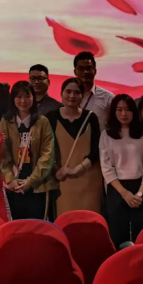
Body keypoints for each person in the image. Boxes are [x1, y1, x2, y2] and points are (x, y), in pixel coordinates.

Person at [99, 94, 143, 246]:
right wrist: (124, 194)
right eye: (119, 110)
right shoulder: (106, 135)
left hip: (142, 189)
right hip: (117, 189)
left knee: (142, 236)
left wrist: (139, 194)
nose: (123, 114)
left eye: (127, 109)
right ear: (114, 112)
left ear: (134, 111)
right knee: (117, 235)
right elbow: (107, 169)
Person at [0, 81, 57, 220]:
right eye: (18, 96)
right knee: (17, 226)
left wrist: (31, 181)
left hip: (37, 184)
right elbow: (1, 155)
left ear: (33, 98)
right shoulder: (5, 122)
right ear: (13, 99)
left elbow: (47, 155)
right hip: (14, 185)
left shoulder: (42, 122)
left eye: (27, 96)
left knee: (37, 225)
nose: (23, 101)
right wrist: (10, 179)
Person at [48, 78, 103, 215]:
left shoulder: (91, 117)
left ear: (82, 96)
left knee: (90, 220)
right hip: (62, 180)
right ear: (61, 93)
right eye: (68, 91)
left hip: (89, 181)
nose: (72, 96)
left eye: (77, 92)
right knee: (64, 220)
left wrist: (76, 170)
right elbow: (46, 149)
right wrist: (56, 170)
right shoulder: (51, 117)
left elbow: (96, 150)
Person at [73, 51, 114, 128]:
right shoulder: (69, 97)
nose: (85, 72)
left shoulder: (108, 98)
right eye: (81, 68)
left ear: (95, 71)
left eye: (88, 68)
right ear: (75, 72)